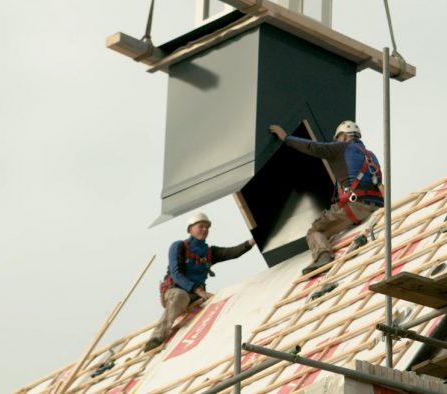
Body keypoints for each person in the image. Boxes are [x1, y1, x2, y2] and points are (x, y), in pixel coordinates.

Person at [268, 120, 383, 275]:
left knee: (315, 231)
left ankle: (323, 257)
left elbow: (313, 147)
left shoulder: (340, 148)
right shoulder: (370, 156)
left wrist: (286, 138)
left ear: (343, 136)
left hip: (355, 206)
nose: (335, 141)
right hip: (376, 204)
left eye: (337, 138)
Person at [144, 211, 255, 352]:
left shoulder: (209, 252)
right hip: (174, 292)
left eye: (207, 227)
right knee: (180, 295)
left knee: (217, 306)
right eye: (200, 226)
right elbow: (176, 274)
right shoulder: (179, 246)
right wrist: (198, 290)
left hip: (195, 297)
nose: (205, 230)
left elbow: (233, 252)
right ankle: (156, 338)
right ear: (190, 229)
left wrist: (252, 241)